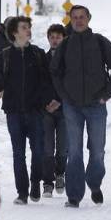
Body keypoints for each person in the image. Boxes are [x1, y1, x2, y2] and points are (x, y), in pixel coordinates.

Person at [49, 4, 111, 207]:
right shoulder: (65, 45)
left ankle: (94, 183)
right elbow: (54, 72)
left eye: (82, 17)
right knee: (74, 151)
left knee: (97, 150)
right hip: (72, 106)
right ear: (70, 20)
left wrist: (107, 94)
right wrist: (64, 96)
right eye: (75, 17)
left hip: (96, 106)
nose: (79, 20)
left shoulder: (100, 42)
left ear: (89, 18)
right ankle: (74, 196)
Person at [0, 16, 54, 205]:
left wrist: (51, 100)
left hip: (36, 111)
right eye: (24, 27)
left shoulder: (38, 54)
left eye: (29, 27)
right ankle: (22, 192)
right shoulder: (5, 55)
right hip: (13, 112)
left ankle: (35, 183)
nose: (28, 30)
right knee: (18, 152)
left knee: (38, 151)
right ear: (15, 32)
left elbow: (48, 81)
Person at [42, 24, 68, 197]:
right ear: (48, 39)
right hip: (45, 110)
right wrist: (45, 102)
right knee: (47, 147)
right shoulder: (42, 59)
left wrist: (59, 101)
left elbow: (71, 83)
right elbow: (38, 83)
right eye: (52, 37)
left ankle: (60, 174)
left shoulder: (69, 58)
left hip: (65, 109)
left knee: (62, 147)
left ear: (63, 38)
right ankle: (47, 182)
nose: (55, 40)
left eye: (58, 37)